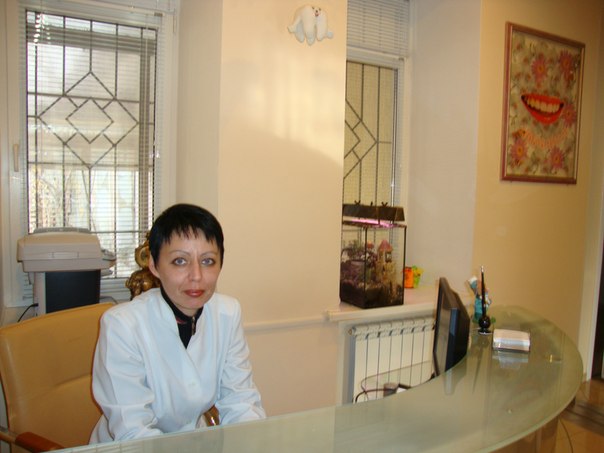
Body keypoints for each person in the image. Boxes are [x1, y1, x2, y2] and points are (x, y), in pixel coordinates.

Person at [90, 203, 266, 443]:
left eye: (208, 261)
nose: (196, 276)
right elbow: (133, 431)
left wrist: (252, 443)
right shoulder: (123, 325)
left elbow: (241, 401)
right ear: (154, 265)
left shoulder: (227, 313)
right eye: (180, 261)